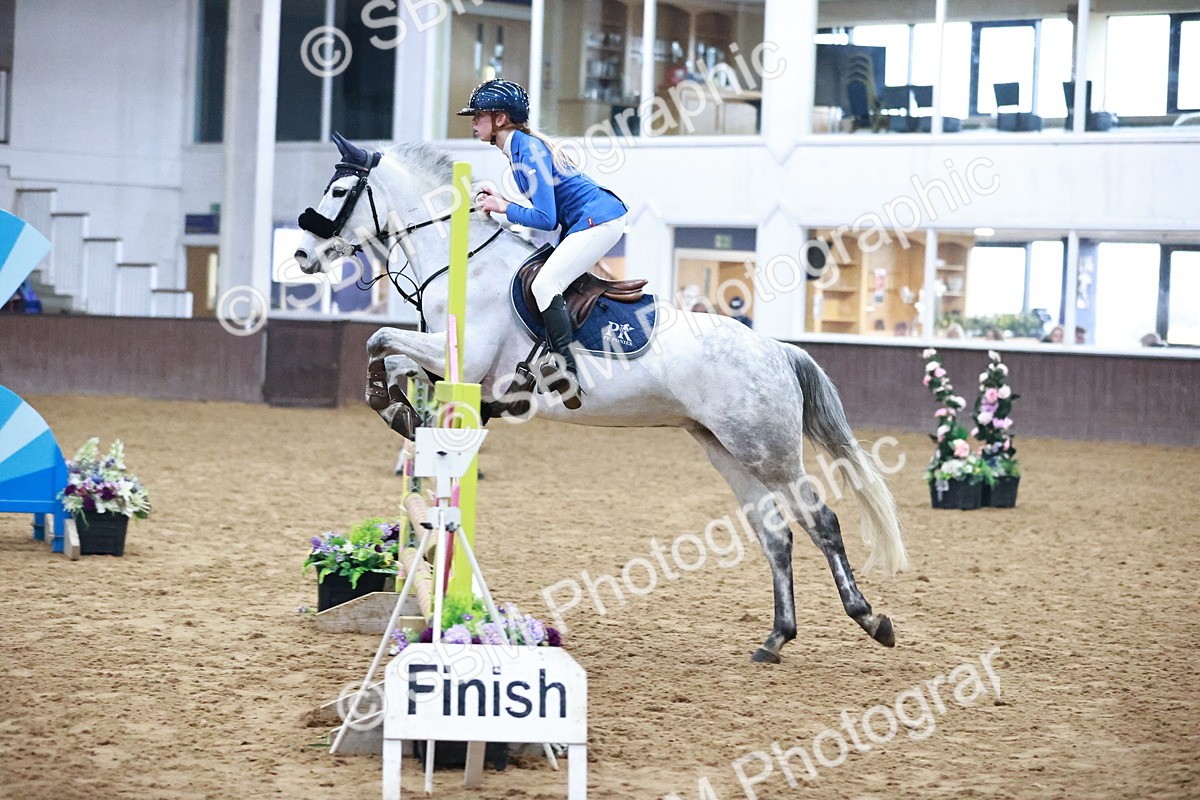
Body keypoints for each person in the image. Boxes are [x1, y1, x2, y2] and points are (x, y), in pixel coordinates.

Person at [462, 79, 628, 409]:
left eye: (479, 115)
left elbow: (546, 218)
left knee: (544, 284)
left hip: (599, 219)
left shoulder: (527, 150)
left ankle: (567, 370)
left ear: (500, 119)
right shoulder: (519, 149)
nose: (473, 122)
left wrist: (504, 207)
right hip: (588, 221)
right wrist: (505, 201)